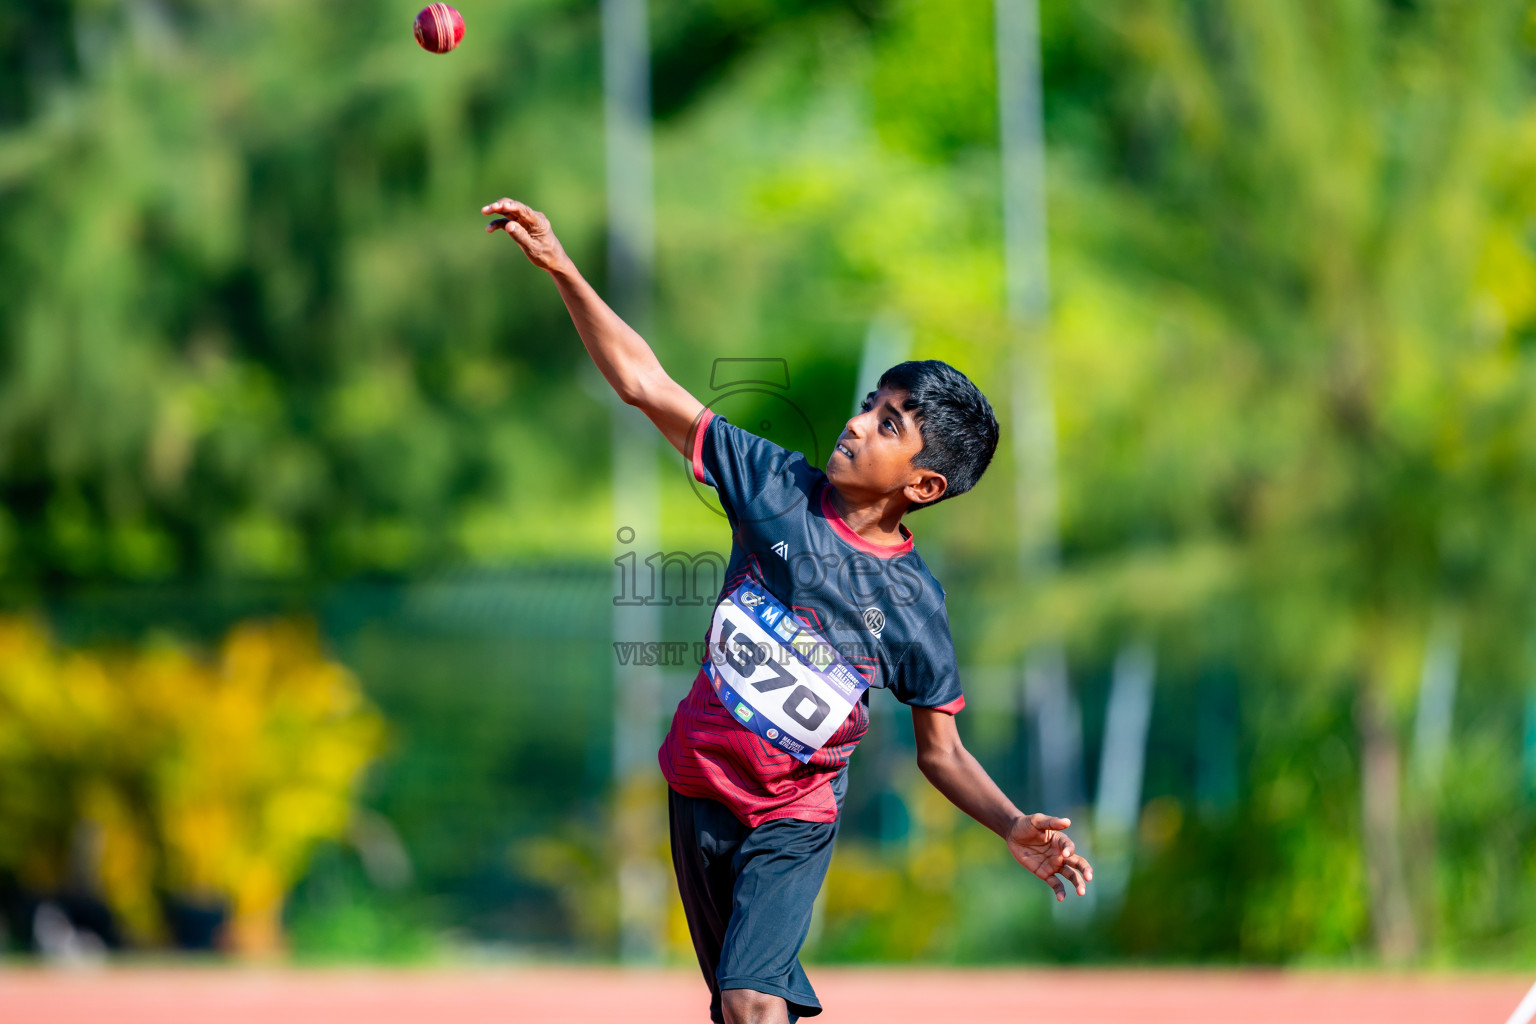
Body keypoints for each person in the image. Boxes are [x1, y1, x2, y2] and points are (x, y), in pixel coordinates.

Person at [482, 197, 1093, 1024]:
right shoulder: (774, 488)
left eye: (888, 424)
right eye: (869, 403)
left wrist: (1013, 821)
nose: (855, 423)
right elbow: (642, 381)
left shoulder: (915, 606)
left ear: (922, 486)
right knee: (735, 1011)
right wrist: (562, 266)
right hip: (695, 787)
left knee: (750, 1001)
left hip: (792, 819)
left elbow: (941, 753)